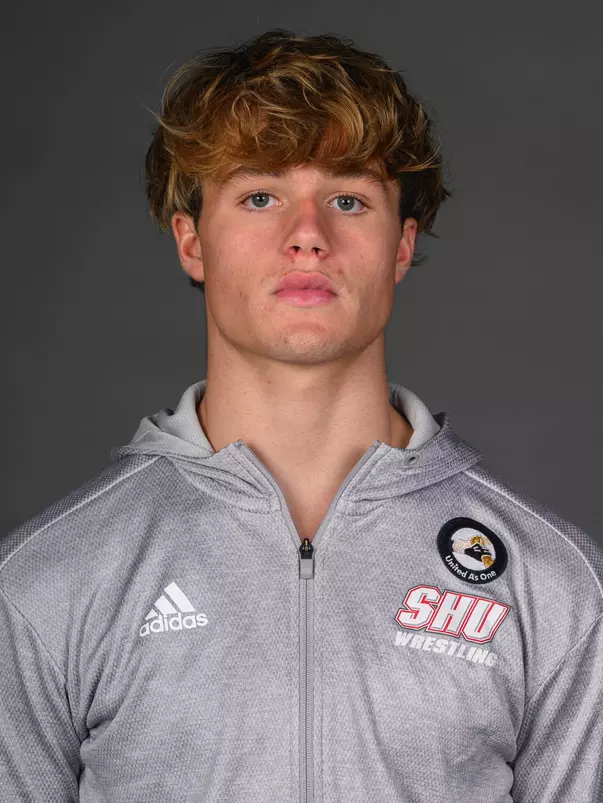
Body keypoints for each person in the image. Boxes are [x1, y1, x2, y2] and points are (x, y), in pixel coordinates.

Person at [1, 28, 601, 803]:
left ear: (400, 244)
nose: (308, 236)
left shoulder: (553, 583)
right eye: (260, 197)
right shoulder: (48, 581)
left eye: (348, 199)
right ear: (192, 243)